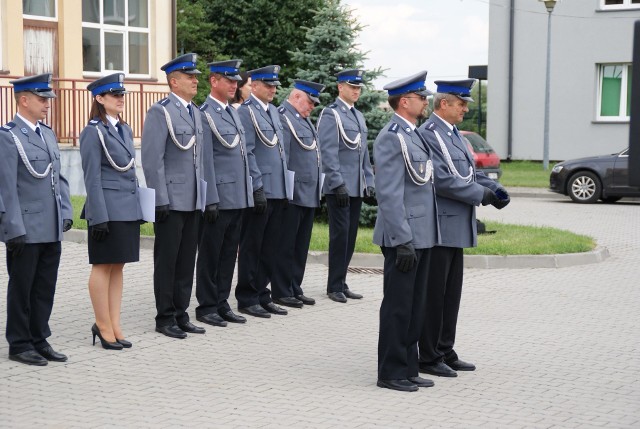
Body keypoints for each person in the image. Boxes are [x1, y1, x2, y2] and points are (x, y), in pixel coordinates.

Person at [417, 79, 510, 377]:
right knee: (435, 294)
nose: (466, 109)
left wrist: (492, 188)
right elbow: (441, 179)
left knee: (450, 293)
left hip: (457, 226)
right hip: (440, 226)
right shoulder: (429, 134)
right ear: (444, 104)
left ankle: (445, 348)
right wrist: (481, 195)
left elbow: (468, 173)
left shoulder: (454, 134)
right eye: (461, 103)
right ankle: (428, 355)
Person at [141, 53, 217, 339]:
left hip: (193, 198)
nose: (195, 80)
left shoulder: (195, 112)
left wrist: (208, 197)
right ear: (174, 82)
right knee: (168, 260)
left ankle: (181, 313)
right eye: (189, 76)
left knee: (187, 260)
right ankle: (165, 317)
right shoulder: (160, 112)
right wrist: (159, 197)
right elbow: (152, 159)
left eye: (195, 76)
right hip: (171, 199)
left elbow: (203, 160)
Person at [0, 73, 73, 366]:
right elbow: (4, 186)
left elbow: (60, 176)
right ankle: (19, 343)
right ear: (24, 100)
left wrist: (65, 212)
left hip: (51, 224)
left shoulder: (47, 133)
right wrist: (12, 228)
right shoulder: (8, 136)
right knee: (23, 286)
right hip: (26, 227)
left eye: (48, 100)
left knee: (45, 286)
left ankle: (39, 337)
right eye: (42, 100)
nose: (47, 105)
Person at [373, 71, 439, 392]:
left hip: (420, 234)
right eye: (421, 97)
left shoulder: (414, 134)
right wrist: (401, 240)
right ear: (404, 101)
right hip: (403, 237)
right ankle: (390, 371)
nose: (427, 102)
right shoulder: (392, 136)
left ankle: (408, 367)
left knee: (415, 305)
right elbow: (388, 193)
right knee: (399, 306)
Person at [80, 73, 142, 350]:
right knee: (103, 266)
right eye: (114, 95)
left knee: (119, 266)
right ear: (99, 98)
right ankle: (102, 324)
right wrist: (98, 215)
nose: (120, 99)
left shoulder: (124, 129)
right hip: (107, 209)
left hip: (126, 208)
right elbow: (91, 177)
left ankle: (115, 324)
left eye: (121, 94)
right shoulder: (93, 132)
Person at [195, 60, 253, 327]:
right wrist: (211, 198)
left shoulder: (233, 113)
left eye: (236, 81)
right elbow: (205, 160)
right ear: (214, 81)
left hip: (238, 195)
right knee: (211, 254)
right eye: (229, 81)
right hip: (219, 196)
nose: (234, 85)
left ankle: (222, 301)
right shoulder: (205, 113)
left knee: (229, 252)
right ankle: (207, 305)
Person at [235, 65, 291, 318]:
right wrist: (256, 185)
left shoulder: (273, 112)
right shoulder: (247, 112)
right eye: (268, 85)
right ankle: (247, 296)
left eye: (274, 86)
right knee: (253, 245)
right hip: (262, 189)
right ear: (254, 85)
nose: (272, 90)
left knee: (271, 246)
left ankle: (262, 292)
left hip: (278, 188)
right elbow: (248, 151)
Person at [317, 69, 374, 303]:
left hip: (355, 186)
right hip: (339, 187)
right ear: (340, 87)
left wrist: (368, 180)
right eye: (352, 87)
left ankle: (342, 281)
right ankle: (333, 285)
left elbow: (364, 154)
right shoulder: (331, 114)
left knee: (350, 237)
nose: (356, 91)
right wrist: (337, 182)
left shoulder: (357, 116)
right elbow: (327, 151)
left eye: (359, 87)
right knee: (339, 236)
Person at [271, 79, 326, 308]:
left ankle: (295, 286)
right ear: (295, 97)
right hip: (293, 192)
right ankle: (282, 290)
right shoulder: (284, 117)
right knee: (286, 244)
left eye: (314, 103)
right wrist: (286, 190)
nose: (312, 107)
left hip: (308, 192)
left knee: (301, 244)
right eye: (309, 102)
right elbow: (284, 157)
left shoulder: (305, 120)